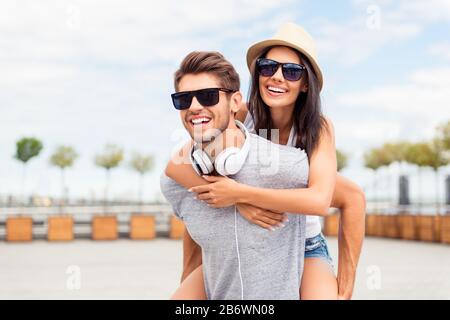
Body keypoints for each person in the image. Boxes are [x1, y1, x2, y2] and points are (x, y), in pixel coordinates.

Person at [166, 23, 365, 300]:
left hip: (303, 247)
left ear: (306, 83)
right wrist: (239, 202)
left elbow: (324, 200)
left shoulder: (317, 129)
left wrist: (345, 289)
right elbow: (178, 166)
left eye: (292, 71)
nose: (277, 77)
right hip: (243, 244)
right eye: (268, 67)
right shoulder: (239, 114)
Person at [160, 50, 311, 299]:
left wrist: (344, 289)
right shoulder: (175, 183)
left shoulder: (286, 166)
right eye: (184, 100)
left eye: (208, 96)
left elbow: (342, 198)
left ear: (234, 102)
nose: (195, 107)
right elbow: (194, 236)